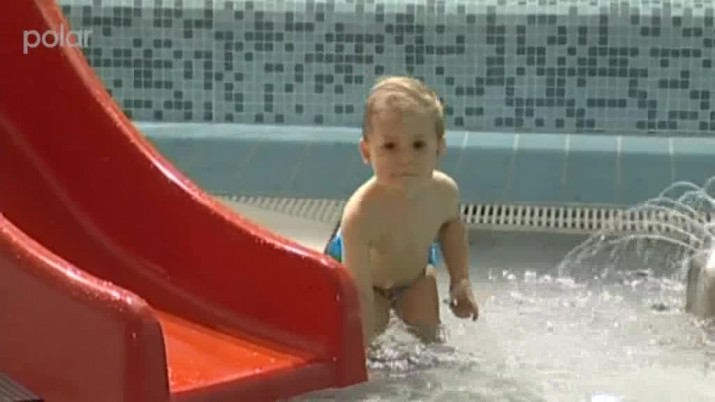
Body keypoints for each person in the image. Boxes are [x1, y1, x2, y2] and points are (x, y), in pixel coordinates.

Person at [325, 75, 479, 347]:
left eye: (418, 145)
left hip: (414, 279)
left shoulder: (444, 192)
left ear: (439, 148)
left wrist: (460, 281)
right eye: (390, 146)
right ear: (367, 151)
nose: (406, 158)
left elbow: (451, 227)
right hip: (366, 285)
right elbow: (359, 294)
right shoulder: (361, 213)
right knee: (364, 337)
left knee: (430, 340)